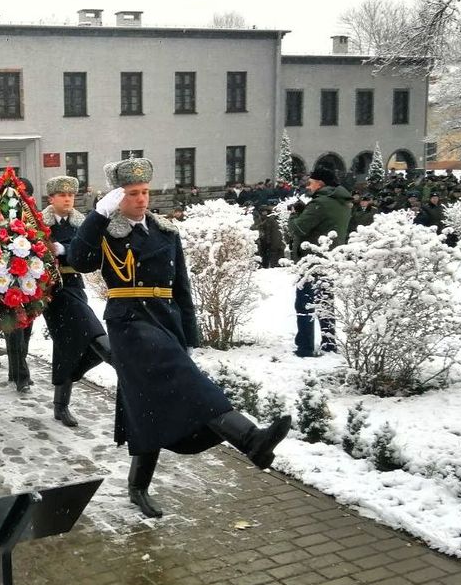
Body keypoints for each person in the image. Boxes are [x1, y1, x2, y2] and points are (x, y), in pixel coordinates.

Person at [69, 158, 291, 518]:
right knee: (182, 381)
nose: (140, 199)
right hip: (129, 324)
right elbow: (80, 261)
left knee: (145, 407)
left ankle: (138, 486)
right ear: (116, 198)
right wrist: (97, 215)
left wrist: (190, 335)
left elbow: (182, 288)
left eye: (144, 192)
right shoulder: (107, 231)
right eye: (131, 194)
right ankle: (251, 439)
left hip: (164, 320)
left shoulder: (166, 232)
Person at [41, 175, 112, 427]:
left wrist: (62, 250)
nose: (68, 199)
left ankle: (61, 406)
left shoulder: (82, 224)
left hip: (75, 286)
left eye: (71, 195)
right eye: (62, 195)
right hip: (52, 290)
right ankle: (63, 403)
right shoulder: (39, 224)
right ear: (51, 199)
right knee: (90, 334)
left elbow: (89, 254)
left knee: (66, 347)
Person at [288, 166, 352, 358]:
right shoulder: (342, 203)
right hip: (330, 259)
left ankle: (305, 347)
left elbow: (298, 228)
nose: (309, 185)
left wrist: (294, 213)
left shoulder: (321, 203)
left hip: (312, 260)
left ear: (320, 183)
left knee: (305, 304)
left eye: (311, 182)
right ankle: (329, 343)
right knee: (325, 303)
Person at [4, 177, 37, 393]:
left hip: (30, 281)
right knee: (14, 327)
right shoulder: (1, 220)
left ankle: (16, 370)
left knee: (25, 328)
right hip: (6, 282)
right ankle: (21, 375)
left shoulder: (34, 219)